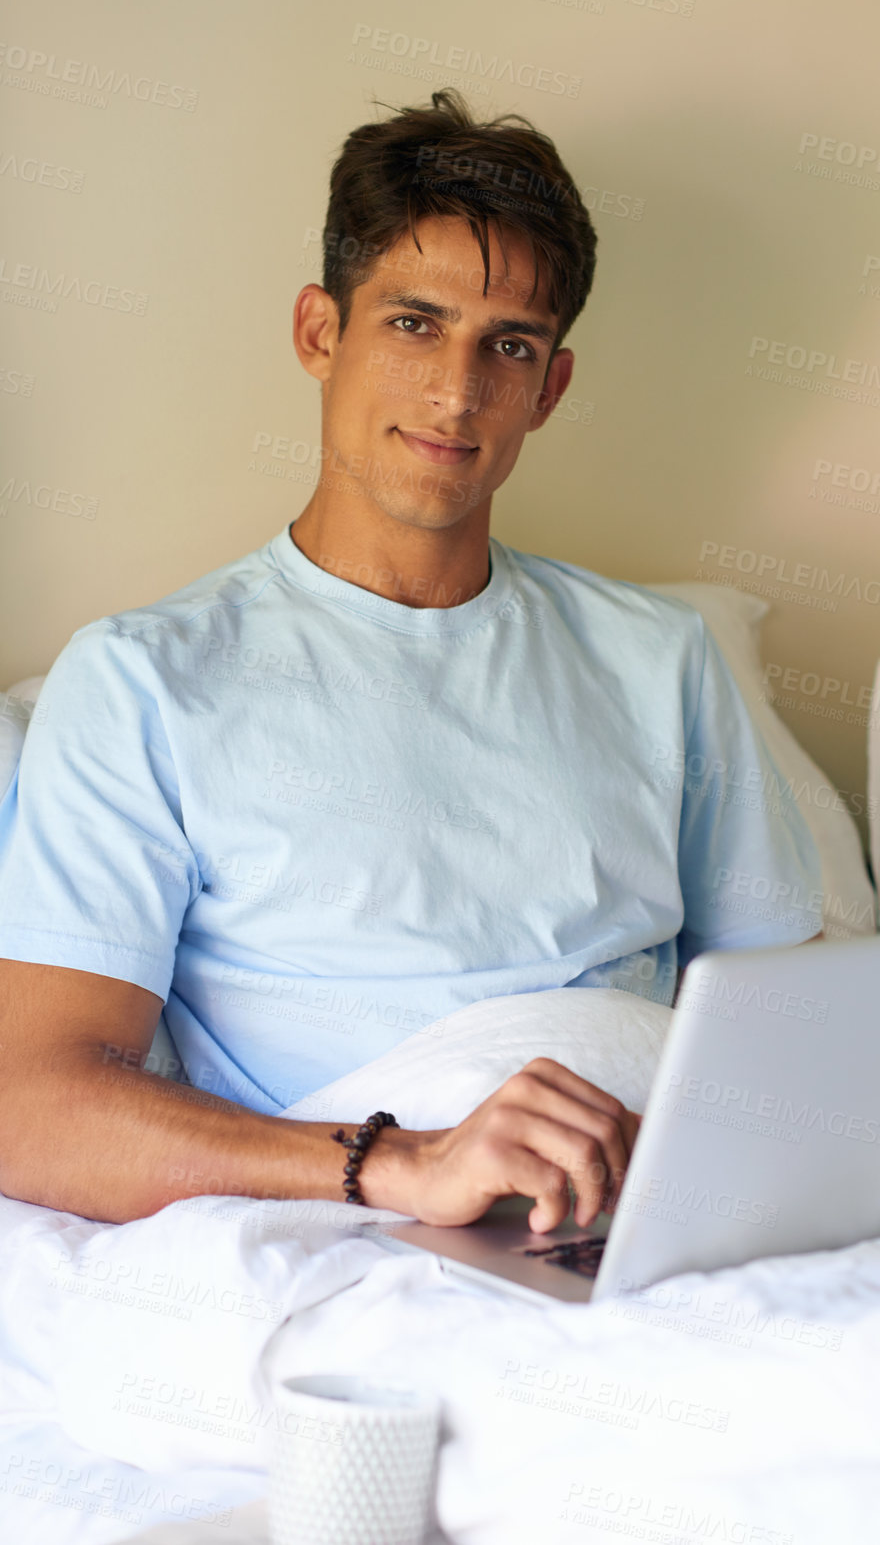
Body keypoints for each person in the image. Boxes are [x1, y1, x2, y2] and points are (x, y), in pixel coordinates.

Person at [0, 90, 823, 1231]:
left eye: (511, 346)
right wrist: (406, 1164)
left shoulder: (659, 657)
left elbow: (798, 1014)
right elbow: (34, 1107)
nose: (457, 391)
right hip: (389, 1226)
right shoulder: (143, 681)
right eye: (412, 322)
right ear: (319, 333)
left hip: (665, 1210)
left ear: (551, 388)